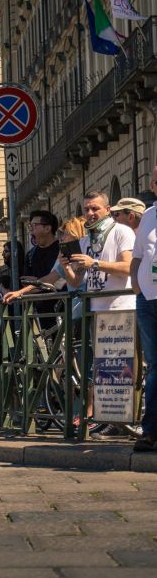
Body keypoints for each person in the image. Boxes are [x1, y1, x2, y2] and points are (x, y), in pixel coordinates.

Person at [62, 190, 135, 312]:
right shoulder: (84, 241)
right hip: (94, 310)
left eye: (95, 209)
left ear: (107, 210)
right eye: (86, 210)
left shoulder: (122, 231)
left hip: (121, 307)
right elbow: (76, 282)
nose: (90, 213)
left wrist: (94, 263)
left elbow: (129, 268)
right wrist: (66, 268)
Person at [131, 167, 157, 452]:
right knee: (154, 368)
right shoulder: (149, 215)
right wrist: (136, 288)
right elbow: (138, 256)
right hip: (148, 300)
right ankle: (150, 431)